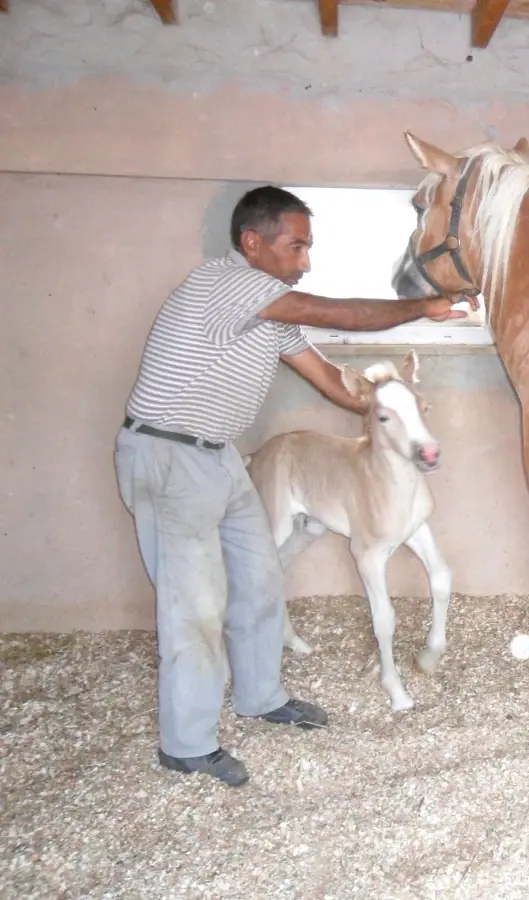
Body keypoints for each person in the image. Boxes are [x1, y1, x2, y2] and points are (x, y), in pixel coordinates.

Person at [113, 185, 470, 787]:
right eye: (295, 246)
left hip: (217, 455)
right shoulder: (231, 286)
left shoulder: (269, 312)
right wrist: (422, 307)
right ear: (252, 243)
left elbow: (330, 380)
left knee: (260, 576)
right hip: (167, 455)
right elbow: (338, 314)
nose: (305, 261)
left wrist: (388, 406)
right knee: (194, 605)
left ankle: (259, 696)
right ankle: (188, 743)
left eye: (309, 248)